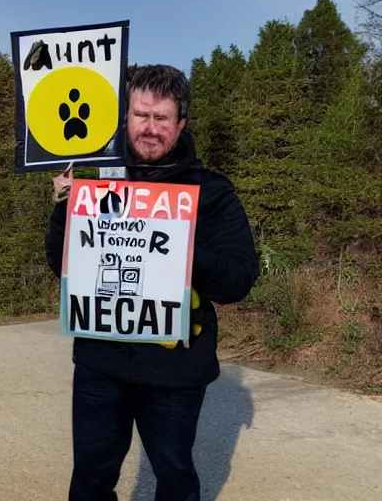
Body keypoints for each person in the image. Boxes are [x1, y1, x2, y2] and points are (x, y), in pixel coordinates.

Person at [45, 64, 259, 501]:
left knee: (176, 480)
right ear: (125, 117)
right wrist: (63, 210)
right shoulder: (97, 184)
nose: (150, 128)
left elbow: (238, 281)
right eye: (141, 115)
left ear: (181, 123)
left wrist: (178, 244)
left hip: (175, 369)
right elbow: (59, 263)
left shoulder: (213, 193)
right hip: (100, 363)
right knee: (89, 478)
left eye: (161, 118)